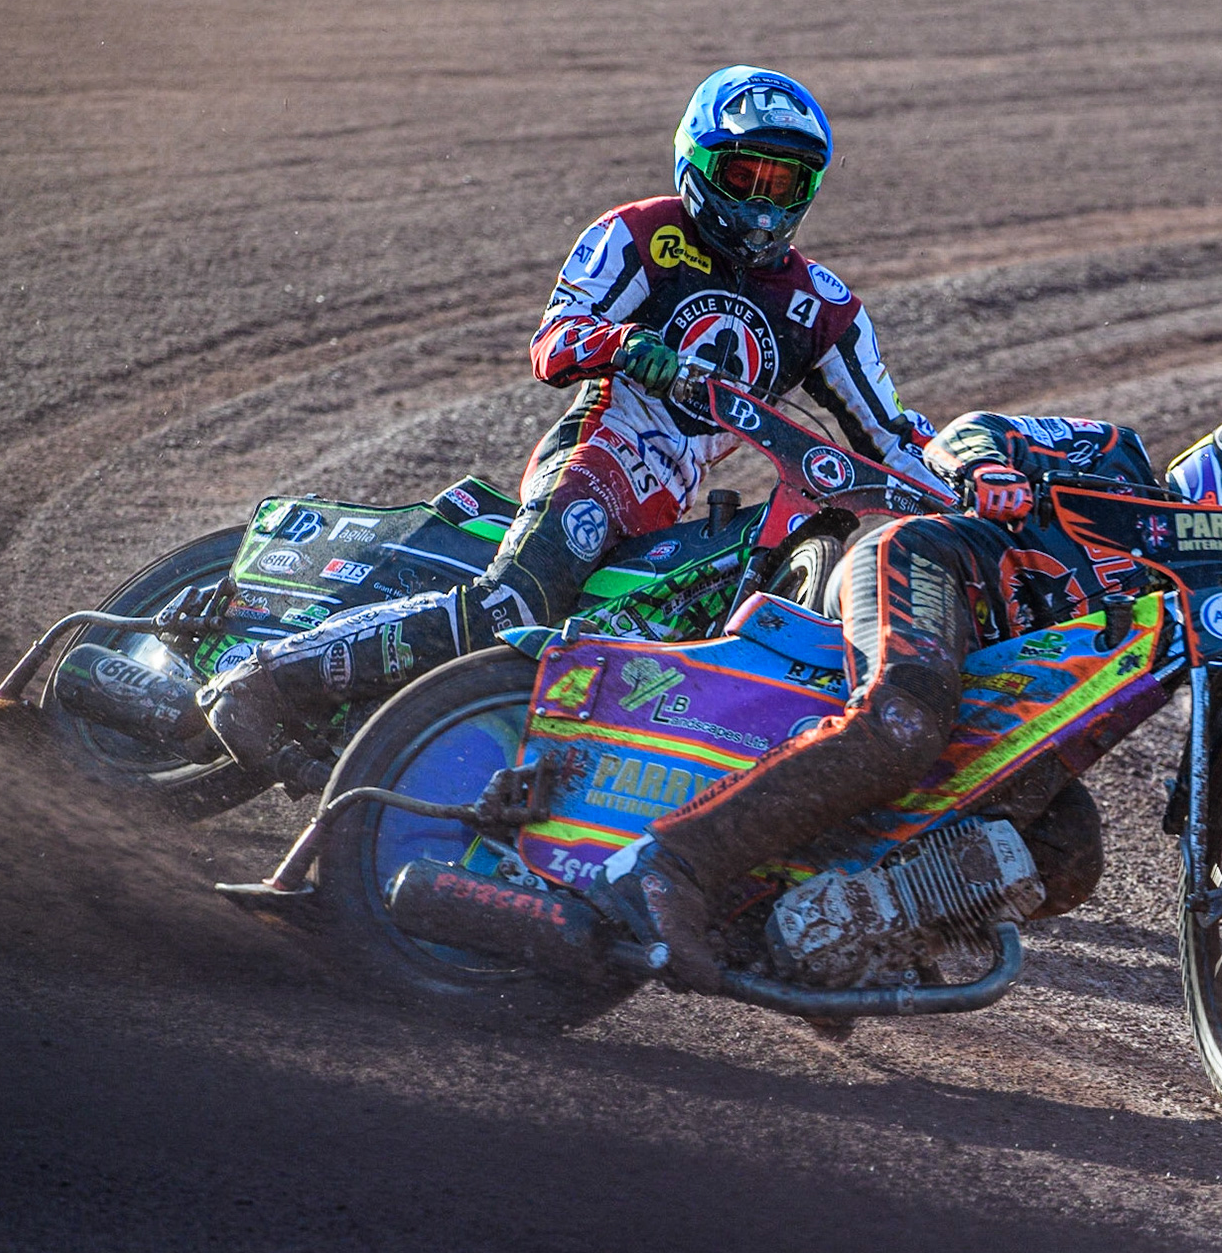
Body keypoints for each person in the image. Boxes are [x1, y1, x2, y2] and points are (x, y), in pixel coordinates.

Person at [200, 66, 946, 770]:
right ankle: (262, 680)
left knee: (642, 657)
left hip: (665, 504)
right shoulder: (642, 234)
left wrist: (965, 480)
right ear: (699, 163)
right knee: (514, 603)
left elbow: (889, 435)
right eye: (744, 174)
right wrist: (624, 345)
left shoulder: (825, 307)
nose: (762, 200)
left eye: (785, 182)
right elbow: (553, 341)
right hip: (598, 452)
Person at [592, 412, 1222, 992]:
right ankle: (664, 864)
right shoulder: (1114, 459)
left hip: (1003, 716)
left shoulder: (1201, 618)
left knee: (1070, 852)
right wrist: (987, 473)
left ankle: (840, 936)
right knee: (902, 724)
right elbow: (973, 435)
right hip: (932, 568)